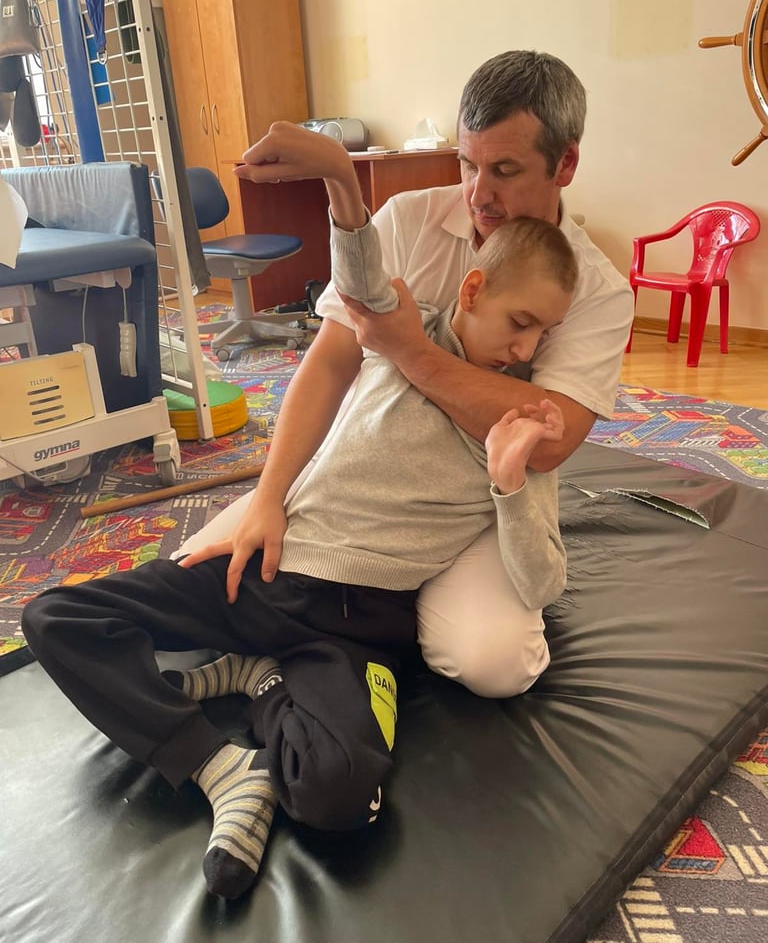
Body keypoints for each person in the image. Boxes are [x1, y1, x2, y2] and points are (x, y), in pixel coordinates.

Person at [22, 213, 574, 902]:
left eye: (545, 333)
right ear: (472, 290)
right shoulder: (405, 334)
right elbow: (359, 269)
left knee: (339, 798)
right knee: (54, 617)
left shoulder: (520, 419)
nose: (526, 349)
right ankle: (222, 769)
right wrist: (339, 186)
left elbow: (543, 582)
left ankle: (261, 678)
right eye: (520, 322)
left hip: (357, 628)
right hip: (267, 570)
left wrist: (509, 485)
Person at [178, 49, 635, 697]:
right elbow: (331, 362)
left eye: (505, 171)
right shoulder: (407, 219)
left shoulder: (598, 289)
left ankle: (392, 604)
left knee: (495, 665)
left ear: (565, 165)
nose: (479, 194)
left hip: (477, 504)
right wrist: (270, 497)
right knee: (198, 592)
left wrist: (411, 351)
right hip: (365, 474)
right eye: (468, 164)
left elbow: (549, 443)